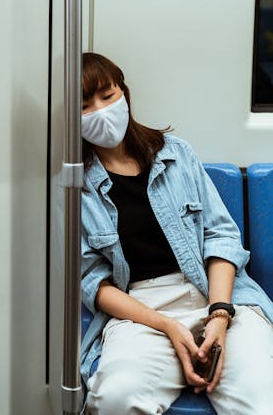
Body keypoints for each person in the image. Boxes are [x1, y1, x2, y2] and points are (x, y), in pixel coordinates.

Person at [80, 52, 273, 415]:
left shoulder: (176, 154)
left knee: (259, 399)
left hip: (218, 295)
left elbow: (222, 238)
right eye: (85, 106)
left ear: (125, 93)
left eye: (107, 96)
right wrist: (166, 325)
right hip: (142, 312)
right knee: (116, 398)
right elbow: (93, 282)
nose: (101, 111)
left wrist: (219, 315)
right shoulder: (76, 184)